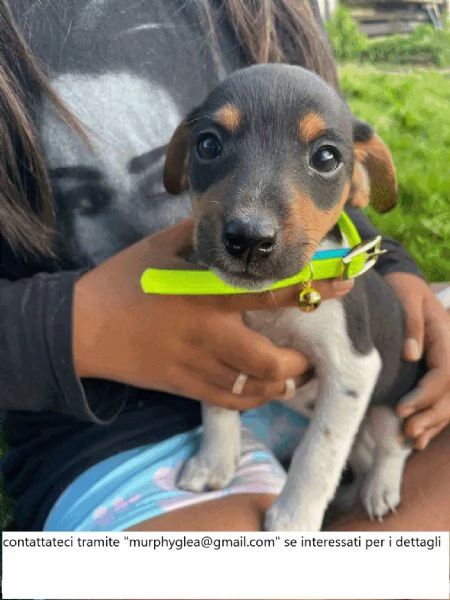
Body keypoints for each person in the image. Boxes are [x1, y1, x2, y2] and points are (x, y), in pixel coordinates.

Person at [0, 0, 449, 534]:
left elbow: (343, 209)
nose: (253, 223)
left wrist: (394, 263)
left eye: (324, 157)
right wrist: (77, 328)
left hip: (319, 390)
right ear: (183, 155)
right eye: (212, 145)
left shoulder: (278, 13)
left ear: (363, 176)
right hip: (106, 421)